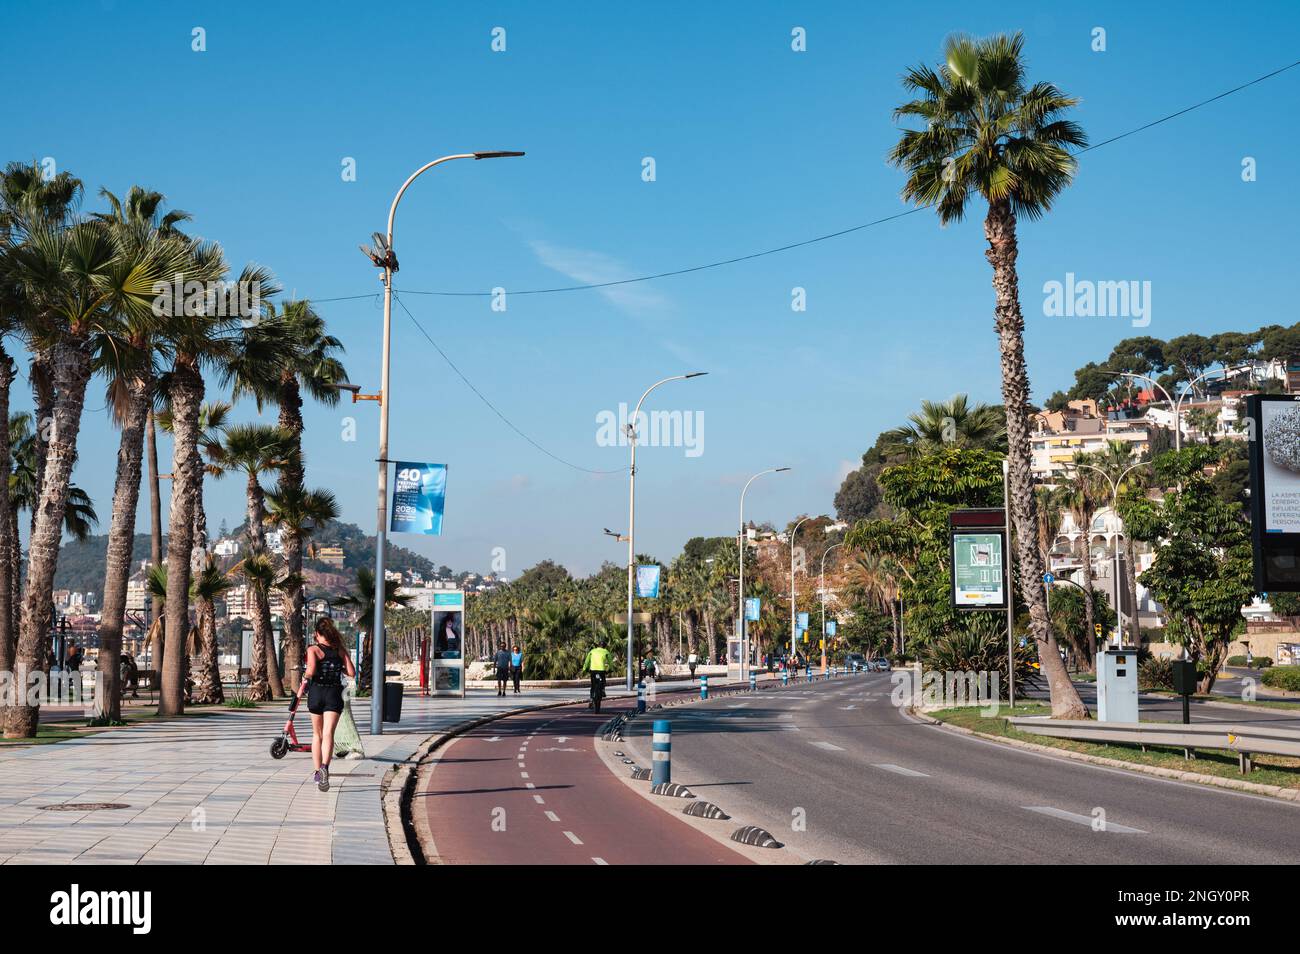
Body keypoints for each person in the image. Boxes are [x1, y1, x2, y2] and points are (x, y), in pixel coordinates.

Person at [296, 618, 355, 792]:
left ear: (317, 634)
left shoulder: (313, 649)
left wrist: (304, 678)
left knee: (317, 734)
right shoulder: (340, 650)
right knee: (329, 734)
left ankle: (316, 772)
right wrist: (338, 667)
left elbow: (311, 670)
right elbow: (351, 673)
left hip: (317, 693)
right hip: (334, 694)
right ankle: (325, 768)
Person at [582, 642, 611, 709]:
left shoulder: (592, 651)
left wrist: (585, 669)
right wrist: (610, 669)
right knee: (603, 681)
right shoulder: (606, 651)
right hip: (601, 671)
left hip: (593, 671)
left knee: (593, 685)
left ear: (598, 646)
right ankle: (603, 690)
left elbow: (587, 661)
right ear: (604, 646)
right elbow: (610, 662)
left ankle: (591, 699)